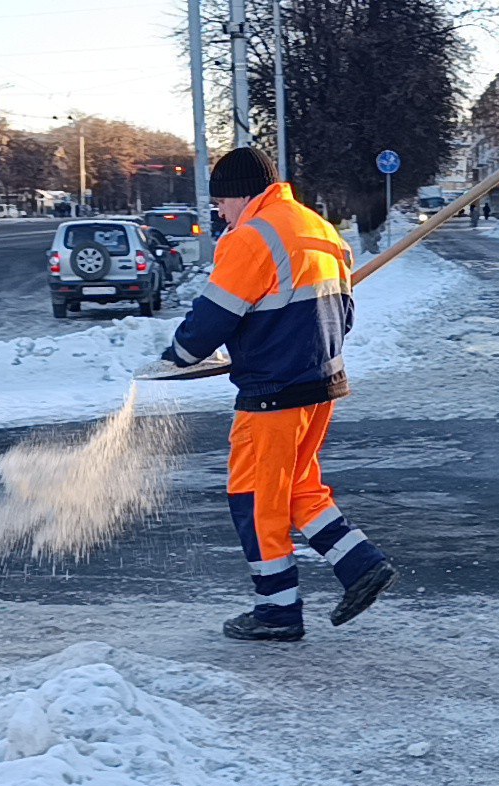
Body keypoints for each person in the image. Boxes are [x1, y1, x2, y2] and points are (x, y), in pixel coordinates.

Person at [160, 147, 399, 642]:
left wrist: (177, 356)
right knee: (297, 490)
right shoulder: (317, 228)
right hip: (322, 382)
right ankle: (361, 566)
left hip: (273, 392)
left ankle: (277, 610)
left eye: (222, 203)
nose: (221, 214)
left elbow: (212, 318)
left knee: (254, 498)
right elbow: (344, 316)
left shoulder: (252, 237)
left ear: (242, 195)